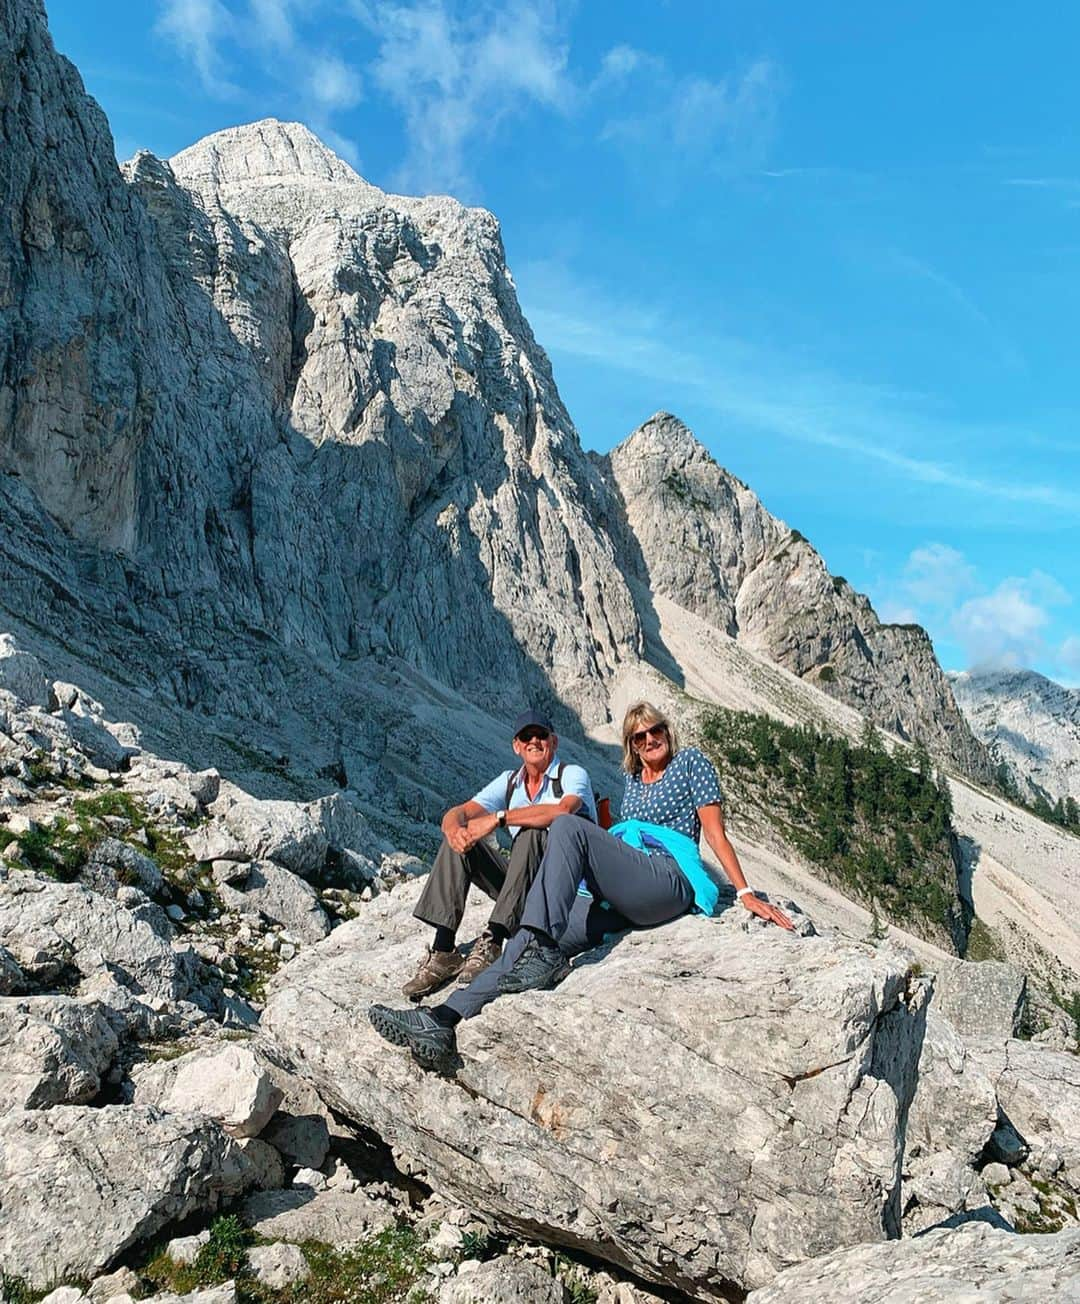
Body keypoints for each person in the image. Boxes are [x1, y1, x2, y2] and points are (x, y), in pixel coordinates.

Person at [370, 701, 793, 1063]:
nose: (649, 740)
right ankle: (444, 1019)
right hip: (626, 892)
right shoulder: (631, 780)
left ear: (668, 731)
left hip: (670, 878)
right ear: (631, 746)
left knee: (567, 826)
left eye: (656, 730)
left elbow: (714, 833)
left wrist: (744, 892)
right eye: (639, 736)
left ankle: (543, 950)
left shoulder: (690, 763)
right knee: (524, 945)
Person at [401, 708, 597, 998]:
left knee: (532, 833)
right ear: (516, 745)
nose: (534, 741)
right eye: (526, 736)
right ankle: (444, 950)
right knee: (461, 841)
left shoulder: (571, 775)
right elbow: (460, 812)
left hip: (563, 893)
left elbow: (563, 810)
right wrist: (454, 828)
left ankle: (494, 939)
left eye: (541, 735)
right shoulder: (510, 781)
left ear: (553, 742)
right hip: (522, 888)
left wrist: (500, 817)